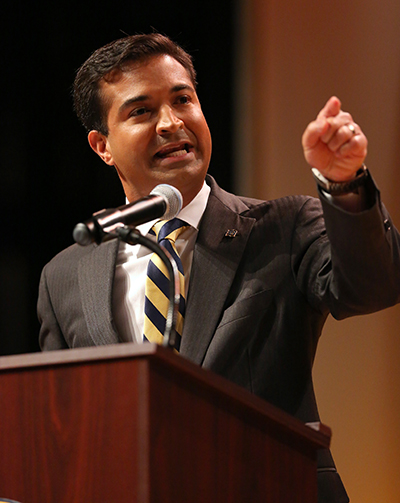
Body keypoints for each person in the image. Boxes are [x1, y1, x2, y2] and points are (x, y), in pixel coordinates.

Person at [37, 33, 400, 503]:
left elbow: (374, 286)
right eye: (142, 111)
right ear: (102, 145)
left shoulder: (282, 227)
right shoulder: (65, 276)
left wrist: (345, 182)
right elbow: (61, 428)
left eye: (183, 99)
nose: (171, 123)